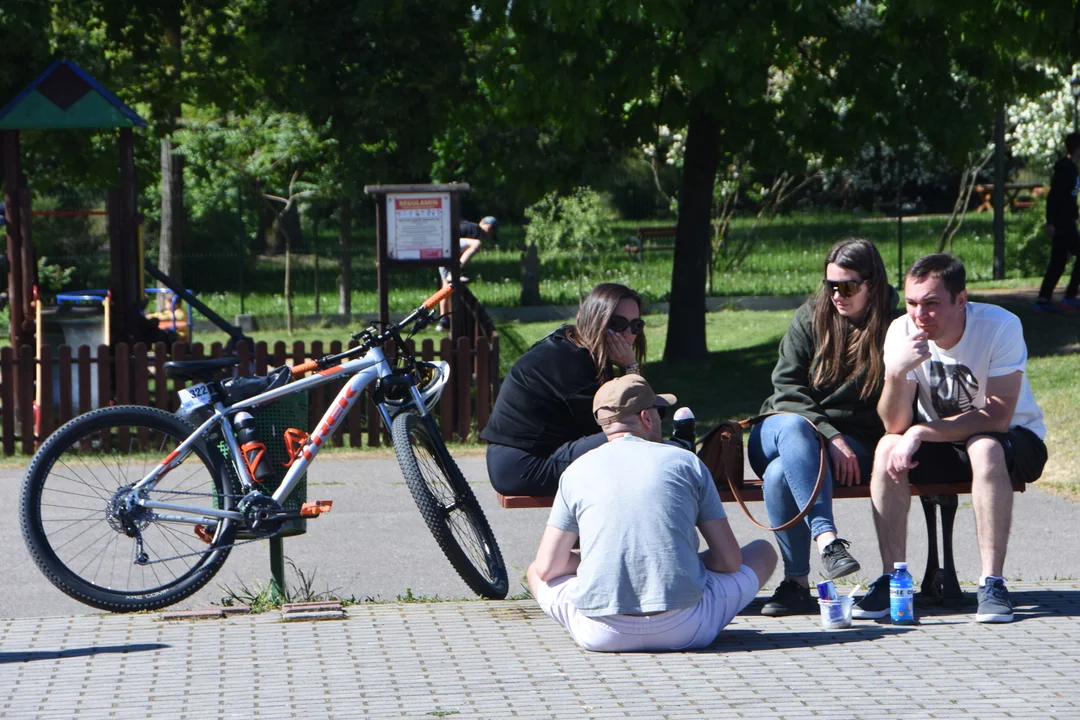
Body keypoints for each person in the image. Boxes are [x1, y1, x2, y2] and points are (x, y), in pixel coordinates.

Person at [855, 254, 1047, 624]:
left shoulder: (1000, 326)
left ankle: (992, 584)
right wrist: (895, 374)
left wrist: (921, 431)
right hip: (945, 441)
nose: (919, 315)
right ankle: (892, 581)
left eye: (931, 304)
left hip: (1016, 439)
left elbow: (997, 416)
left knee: (985, 446)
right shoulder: (901, 332)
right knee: (886, 447)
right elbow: (894, 424)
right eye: (912, 303)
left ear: (961, 300)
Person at [528, 373, 778, 652]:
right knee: (763, 551)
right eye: (659, 412)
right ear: (646, 417)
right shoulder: (686, 462)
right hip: (685, 627)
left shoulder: (576, 471)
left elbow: (548, 567)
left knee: (534, 571)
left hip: (600, 633)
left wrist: (596, 561)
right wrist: (676, 560)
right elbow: (730, 561)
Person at [748, 238, 898, 616]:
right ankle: (828, 541)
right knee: (798, 432)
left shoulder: (895, 325)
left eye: (847, 286)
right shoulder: (810, 316)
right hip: (783, 429)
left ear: (872, 284)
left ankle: (796, 584)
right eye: (830, 286)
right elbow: (786, 389)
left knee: (782, 475)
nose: (837, 295)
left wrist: (838, 439)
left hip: (855, 441)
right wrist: (828, 435)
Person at [482, 283, 646, 496]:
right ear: (595, 321)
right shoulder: (574, 362)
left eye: (635, 326)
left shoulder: (572, 344)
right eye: (618, 324)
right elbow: (628, 417)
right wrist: (630, 367)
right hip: (523, 466)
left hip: (533, 455)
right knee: (630, 434)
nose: (627, 334)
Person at [1034, 132, 1080, 313]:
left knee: (1058, 261)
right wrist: (1051, 221)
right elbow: (1054, 198)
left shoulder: (1072, 168)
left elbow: (1069, 197)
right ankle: (1068, 297)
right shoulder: (1064, 169)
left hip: (1068, 220)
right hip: (1062, 222)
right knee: (1062, 259)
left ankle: (1043, 299)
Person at [437, 216, 497, 330]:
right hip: (448, 245)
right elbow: (462, 246)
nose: (488, 238)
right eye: (491, 235)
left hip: (441, 248)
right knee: (476, 244)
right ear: (489, 228)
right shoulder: (475, 229)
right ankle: (457, 270)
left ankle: (443, 320)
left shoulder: (468, 226)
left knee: (446, 286)